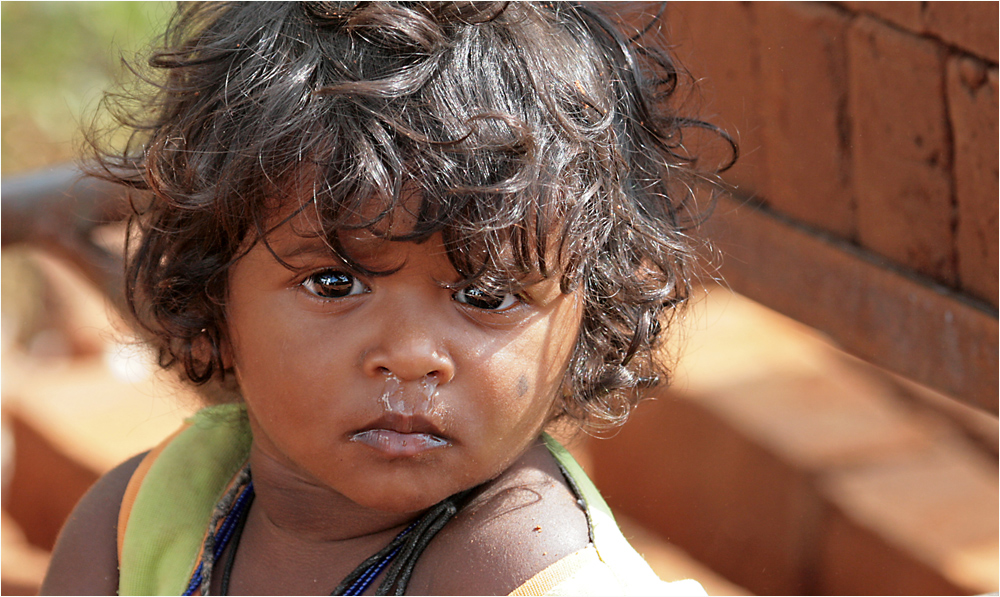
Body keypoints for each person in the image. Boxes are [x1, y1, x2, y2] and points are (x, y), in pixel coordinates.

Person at [38, 2, 733, 595]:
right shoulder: (143, 521)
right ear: (214, 295)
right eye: (335, 282)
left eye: (486, 294)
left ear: (586, 318)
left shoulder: (537, 574)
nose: (411, 355)